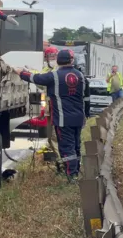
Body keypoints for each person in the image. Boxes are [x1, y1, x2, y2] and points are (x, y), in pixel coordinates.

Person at [16, 49, 86, 181]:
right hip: (78, 118)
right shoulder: (80, 75)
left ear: (58, 60)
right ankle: (76, 170)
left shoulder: (54, 76)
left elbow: (34, 78)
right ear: (71, 60)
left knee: (66, 147)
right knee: (76, 146)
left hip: (63, 119)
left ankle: (72, 176)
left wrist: (20, 72)